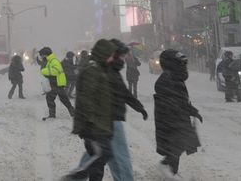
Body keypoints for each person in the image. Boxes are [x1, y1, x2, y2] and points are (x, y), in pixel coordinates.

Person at [64, 39, 116, 181]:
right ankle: (76, 176)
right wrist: (91, 123)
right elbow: (86, 100)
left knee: (98, 166)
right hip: (93, 126)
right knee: (103, 154)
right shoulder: (92, 71)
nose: (113, 58)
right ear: (104, 54)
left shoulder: (100, 70)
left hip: (100, 126)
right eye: (111, 55)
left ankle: (80, 175)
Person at [154, 49, 202, 177]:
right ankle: (167, 167)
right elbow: (170, 99)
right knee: (176, 146)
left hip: (177, 119)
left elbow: (181, 99)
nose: (184, 67)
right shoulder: (167, 78)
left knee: (179, 145)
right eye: (181, 64)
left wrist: (193, 111)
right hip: (171, 121)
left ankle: (171, 170)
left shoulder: (175, 78)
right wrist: (177, 110)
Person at [103, 41, 147, 181]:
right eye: (121, 56)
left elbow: (124, 92)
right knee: (121, 156)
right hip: (112, 120)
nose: (123, 60)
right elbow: (124, 92)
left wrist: (139, 107)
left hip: (104, 121)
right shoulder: (109, 72)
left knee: (110, 156)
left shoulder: (109, 70)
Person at [39, 46, 75, 120]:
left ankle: (53, 115)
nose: (41, 56)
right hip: (55, 83)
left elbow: (56, 71)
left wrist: (44, 71)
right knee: (62, 99)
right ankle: (73, 113)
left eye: (42, 55)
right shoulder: (50, 60)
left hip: (57, 83)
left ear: (45, 54)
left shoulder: (53, 60)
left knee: (52, 98)